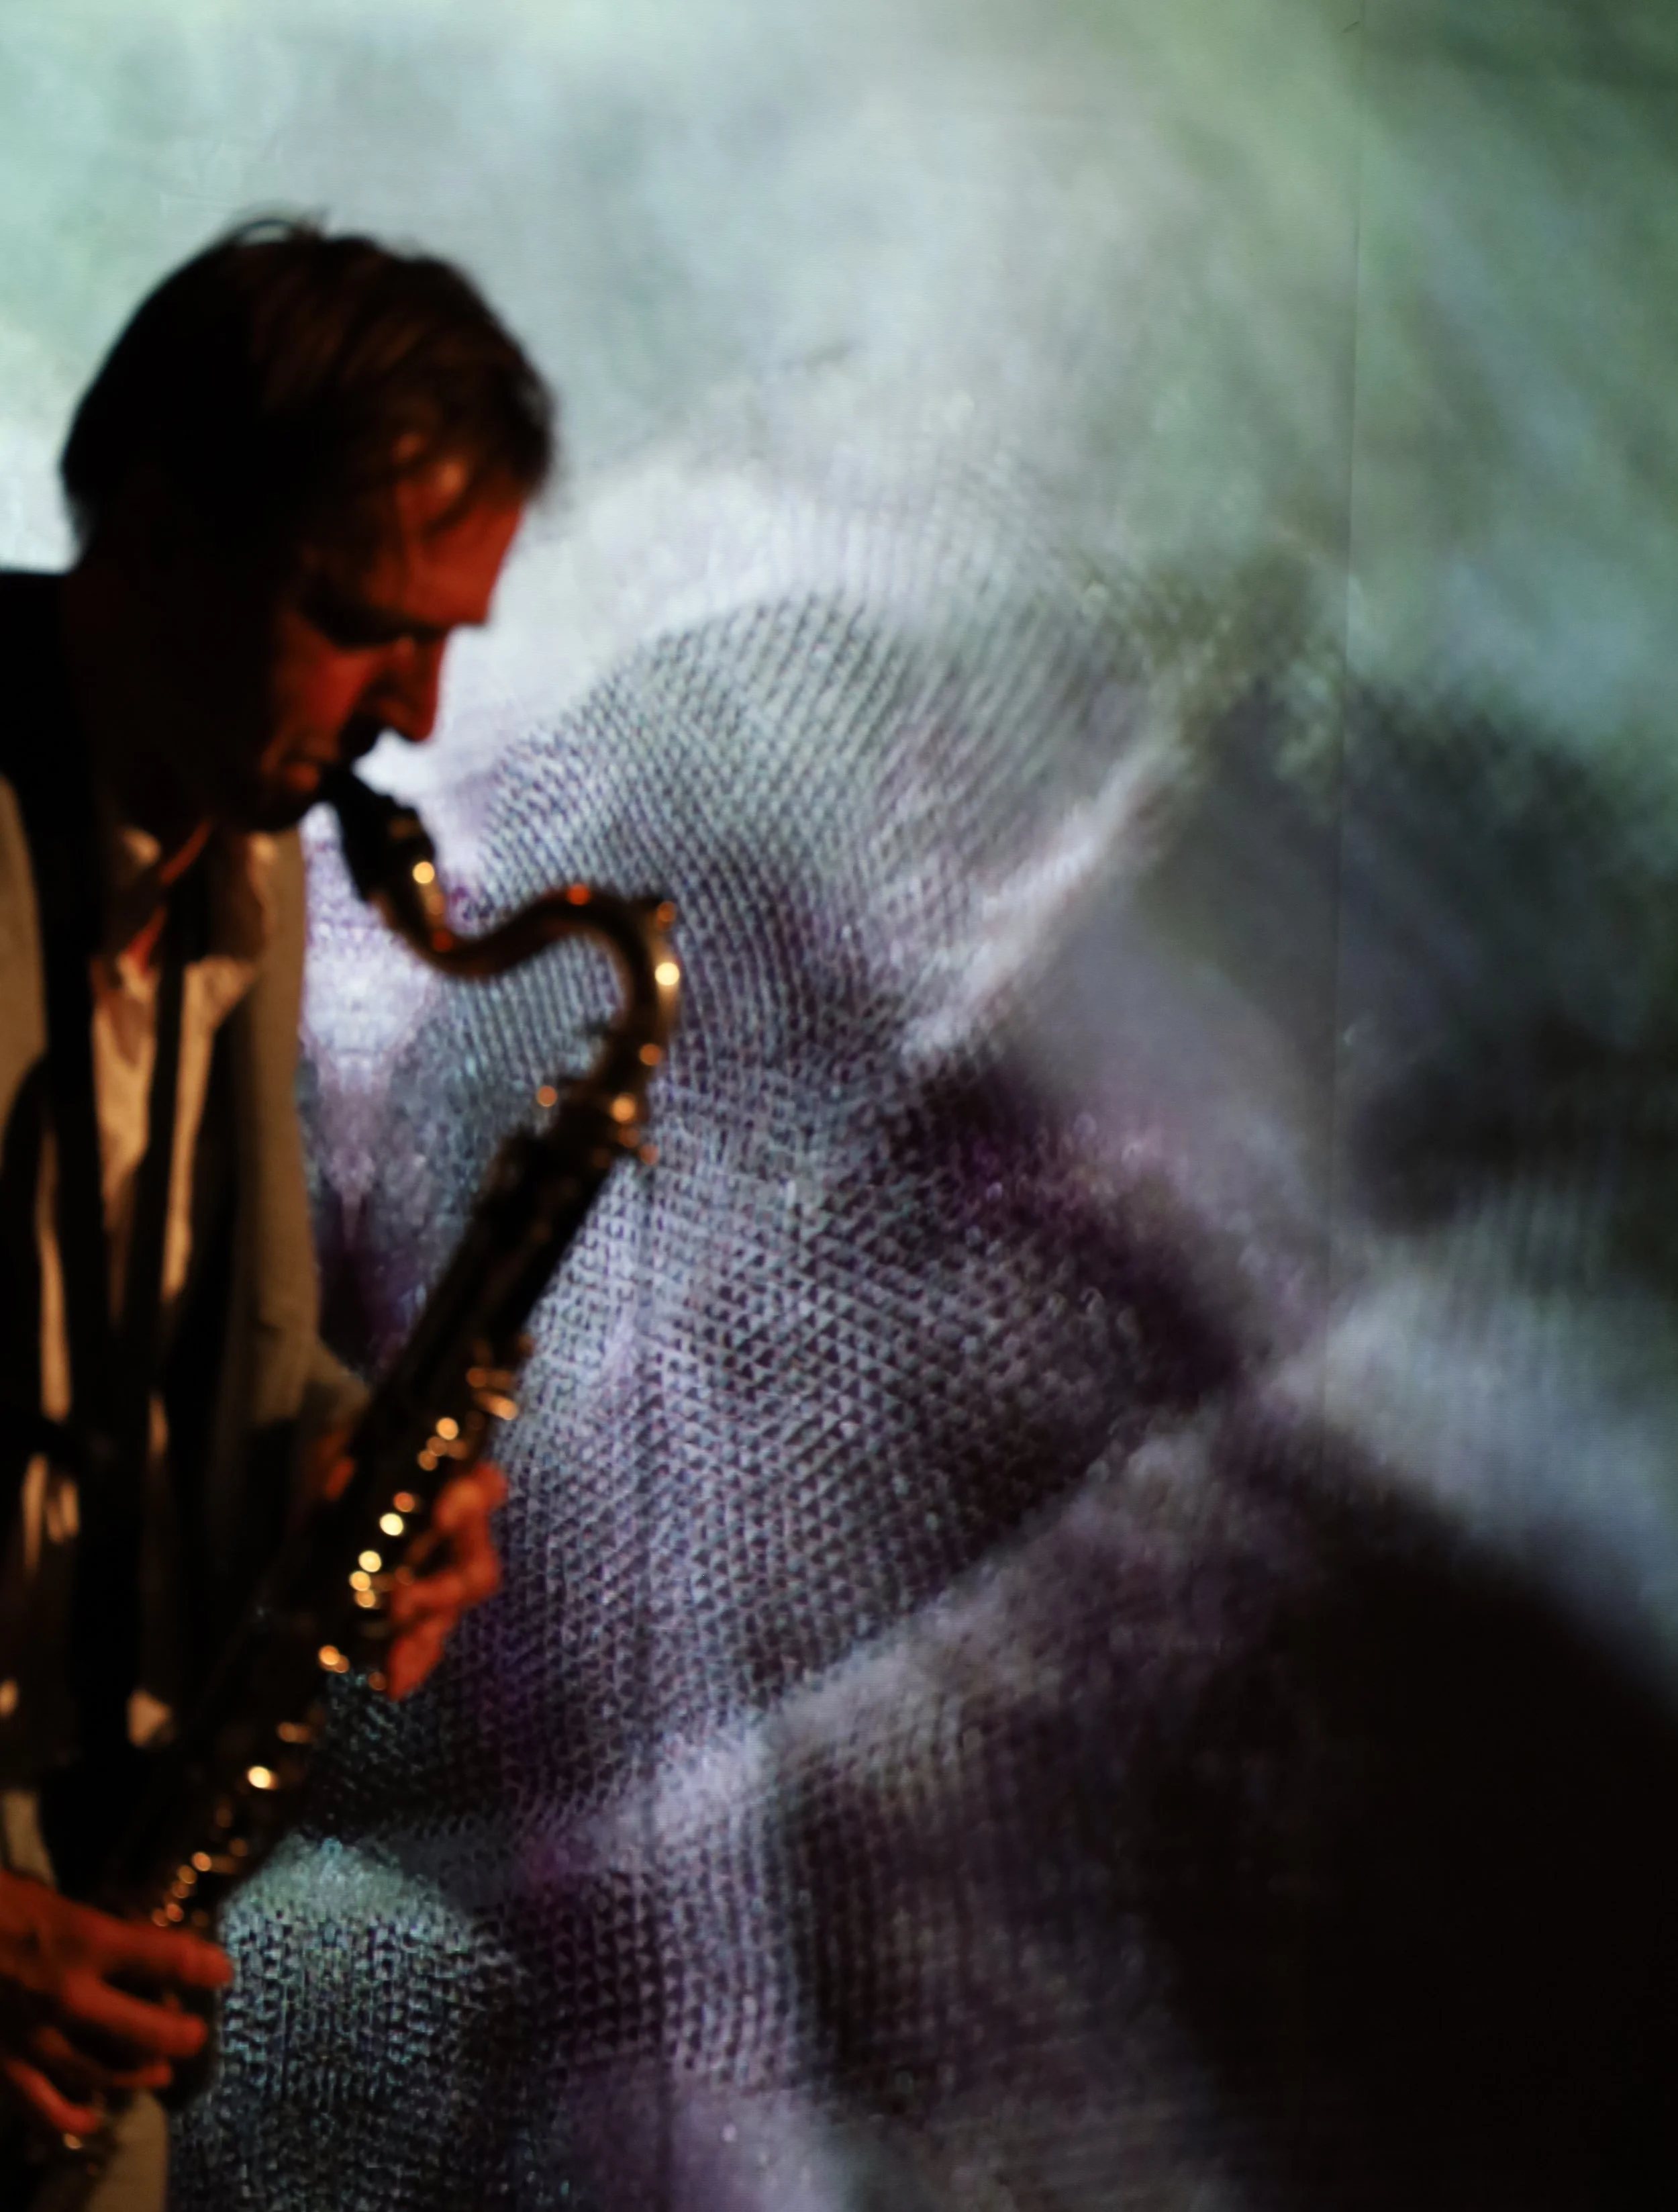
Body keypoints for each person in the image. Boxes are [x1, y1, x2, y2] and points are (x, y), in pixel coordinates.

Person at [0, 218, 556, 2207]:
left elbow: (149, 1344)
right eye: (357, 620)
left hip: (84, 1944)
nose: (417, 710)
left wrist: (336, 1464)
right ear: (160, 535)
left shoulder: (244, 853)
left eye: (447, 638)